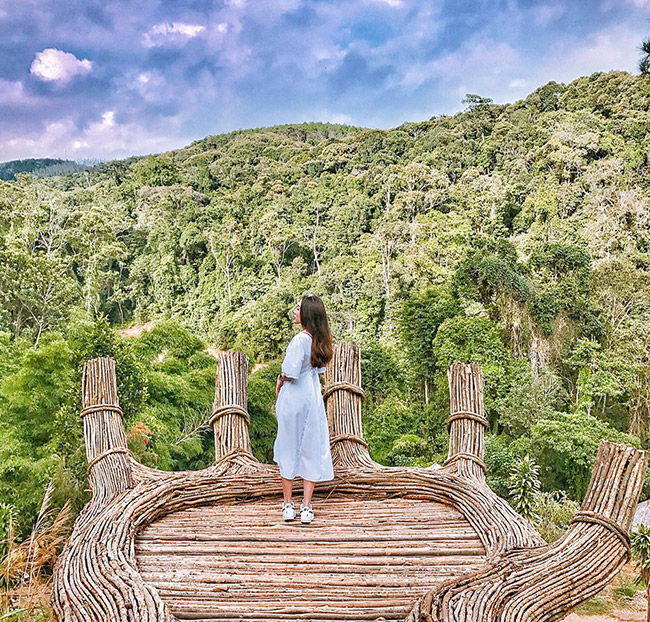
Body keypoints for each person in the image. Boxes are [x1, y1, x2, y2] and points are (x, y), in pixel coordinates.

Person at [273, 293, 334, 524]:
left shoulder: (299, 340)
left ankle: (288, 503)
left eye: (298, 308)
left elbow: (290, 372)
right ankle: (306, 505)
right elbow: (319, 370)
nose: (295, 311)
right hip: (312, 394)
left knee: (288, 445)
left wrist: (280, 378)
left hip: (295, 395)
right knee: (311, 446)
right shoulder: (320, 340)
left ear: (307, 314)